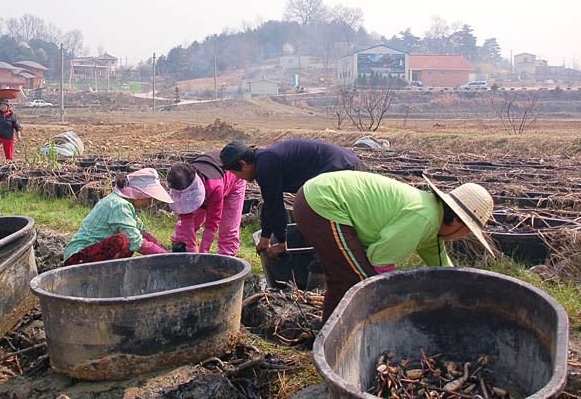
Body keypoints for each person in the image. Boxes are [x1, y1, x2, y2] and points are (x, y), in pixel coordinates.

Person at [293, 170, 495, 324]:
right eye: (467, 232)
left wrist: (460, 289)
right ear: (459, 223)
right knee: (361, 284)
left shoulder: (432, 218)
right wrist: (392, 300)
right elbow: (379, 258)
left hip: (317, 197)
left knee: (343, 278)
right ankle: (343, 340)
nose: (462, 237)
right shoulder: (424, 218)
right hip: (324, 203)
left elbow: (439, 259)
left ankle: (327, 335)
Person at [219, 138, 364, 258]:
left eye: (235, 173)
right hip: (347, 163)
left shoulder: (265, 165)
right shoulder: (265, 160)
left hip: (343, 169)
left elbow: (275, 206)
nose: (238, 178)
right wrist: (265, 237)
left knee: (326, 222)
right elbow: (270, 202)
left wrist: (282, 243)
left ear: (243, 164)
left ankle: (329, 266)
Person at [63, 168, 172, 265]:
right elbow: (137, 241)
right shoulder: (119, 205)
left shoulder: (126, 206)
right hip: (77, 258)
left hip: (92, 254)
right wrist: (164, 256)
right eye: (148, 197)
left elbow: (142, 232)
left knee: (130, 239)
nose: (149, 201)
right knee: (123, 240)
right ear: (139, 193)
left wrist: (166, 253)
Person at [166, 151, 247, 256]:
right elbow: (185, 216)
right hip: (205, 187)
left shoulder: (215, 186)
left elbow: (212, 223)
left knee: (228, 227)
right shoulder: (182, 181)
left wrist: (203, 254)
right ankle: (180, 246)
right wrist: (191, 247)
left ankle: (226, 260)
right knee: (194, 220)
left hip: (234, 182)